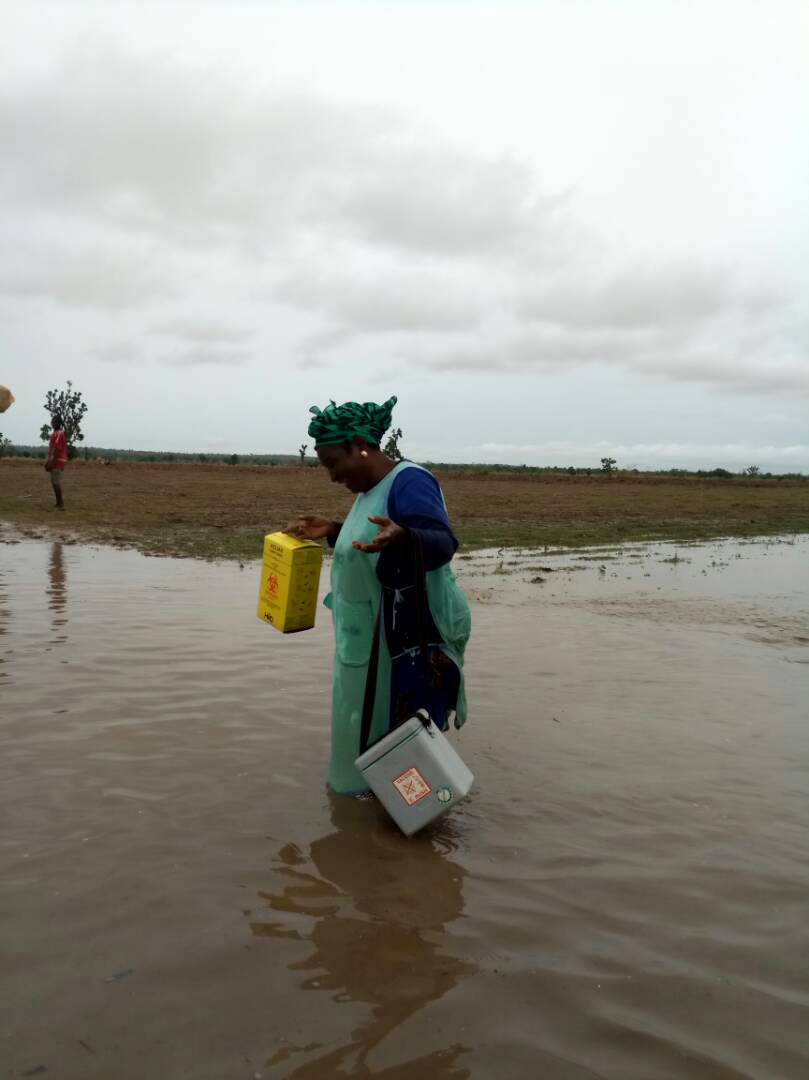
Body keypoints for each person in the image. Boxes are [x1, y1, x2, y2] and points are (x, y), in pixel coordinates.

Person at [285, 396, 471, 796]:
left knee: (395, 744)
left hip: (394, 647)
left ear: (360, 445)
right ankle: (367, 818)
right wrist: (334, 530)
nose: (332, 476)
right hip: (361, 646)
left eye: (333, 462)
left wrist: (406, 537)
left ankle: (404, 825)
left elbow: (442, 544)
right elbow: (372, 546)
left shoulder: (411, 481)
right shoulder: (368, 491)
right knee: (361, 734)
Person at [44, 413, 67, 510]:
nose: (52, 423)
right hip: (55, 460)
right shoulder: (56, 433)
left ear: (58, 423)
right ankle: (58, 503)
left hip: (58, 460)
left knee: (56, 482)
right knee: (54, 482)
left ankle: (61, 504)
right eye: (52, 421)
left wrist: (51, 463)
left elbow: (57, 449)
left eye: (53, 421)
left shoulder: (59, 433)